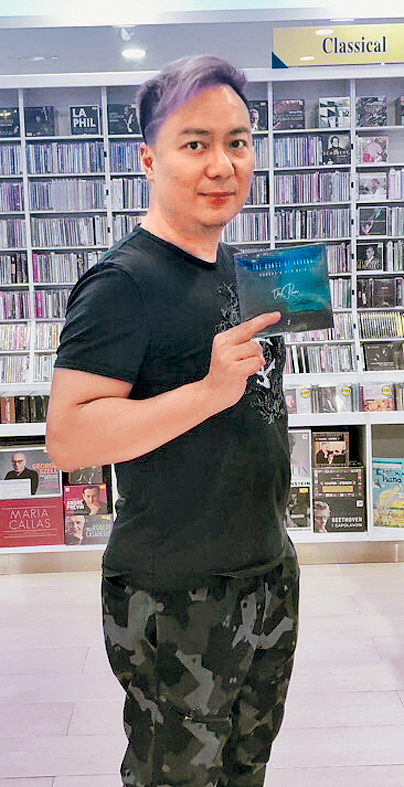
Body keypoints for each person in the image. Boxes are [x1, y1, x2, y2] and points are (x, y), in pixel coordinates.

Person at [46, 55, 299, 787]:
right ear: (149, 159)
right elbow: (68, 436)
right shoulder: (121, 284)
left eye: (238, 142)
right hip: (176, 595)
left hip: (266, 576)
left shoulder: (239, 270)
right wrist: (208, 392)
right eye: (195, 143)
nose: (223, 164)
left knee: (246, 769)